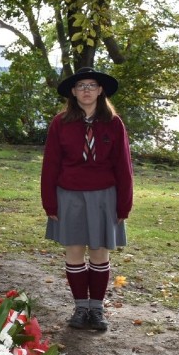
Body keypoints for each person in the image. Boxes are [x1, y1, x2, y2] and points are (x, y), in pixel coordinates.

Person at [41, 67, 132, 331]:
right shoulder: (60, 123)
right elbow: (51, 165)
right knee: (74, 253)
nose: (87, 90)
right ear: (73, 92)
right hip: (69, 195)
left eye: (92, 85)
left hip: (105, 196)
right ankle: (81, 307)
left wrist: (124, 204)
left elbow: (123, 166)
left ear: (101, 90)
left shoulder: (113, 123)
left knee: (99, 253)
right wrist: (50, 202)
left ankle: (97, 309)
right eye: (81, 86)